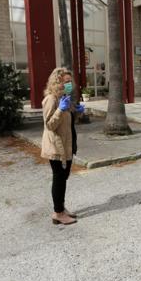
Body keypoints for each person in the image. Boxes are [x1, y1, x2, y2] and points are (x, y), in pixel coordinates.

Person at [41, 67, 85, 225]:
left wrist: (77, 111)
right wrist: (60, 109)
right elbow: (50, 125)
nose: (69, 84)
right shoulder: (51, 99)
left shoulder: (64, 97)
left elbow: (68, 121)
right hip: (56, 147)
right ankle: (58, 213)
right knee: (59, 179)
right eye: (65, 82)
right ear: (57, 82)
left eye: (69, 81)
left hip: (67, 144)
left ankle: (61, 208)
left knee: (63, 178)